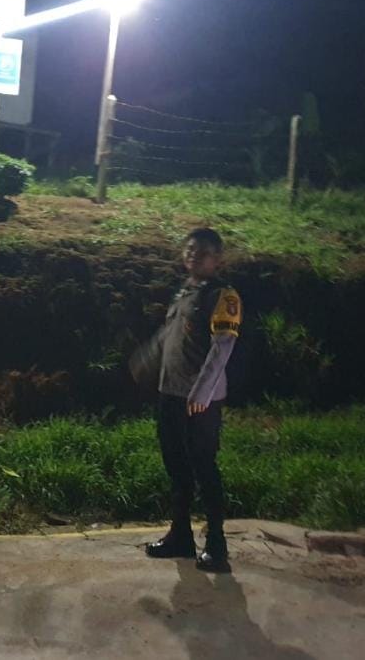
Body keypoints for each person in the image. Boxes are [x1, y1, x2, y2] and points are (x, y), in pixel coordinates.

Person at [129, 227, 242, 573]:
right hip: (171, 394)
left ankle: (217, 546)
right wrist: (146, 358)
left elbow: (223, 347)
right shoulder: (184, 292)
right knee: (177, 466)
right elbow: (169, 335)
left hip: (200, 400)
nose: (194, 255)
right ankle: (181, 536)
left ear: (218, 259)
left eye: (203, 251)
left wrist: (202, 392)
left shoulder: (223, 296)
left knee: (204, 467)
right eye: (190, 249)